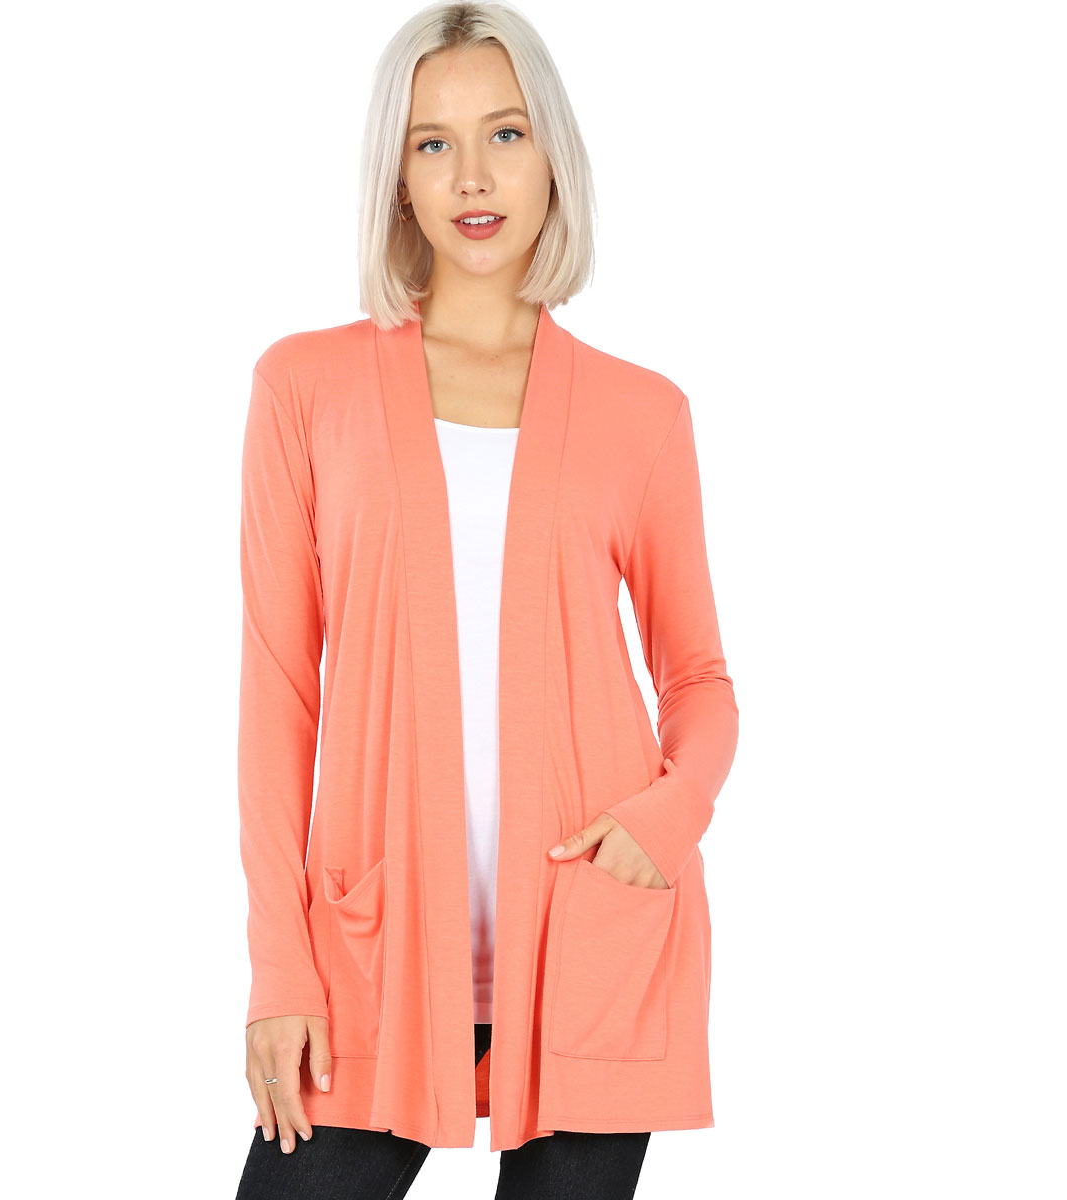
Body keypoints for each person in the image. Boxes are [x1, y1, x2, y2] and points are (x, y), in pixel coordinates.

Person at [234, 3, 739, 1197]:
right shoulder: (304, 387)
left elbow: (698, 681)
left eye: (506, 133)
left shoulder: (641, 413)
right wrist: (278, 967)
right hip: (366, 954)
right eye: (433, 142)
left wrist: (666, 822)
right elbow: (277, 693)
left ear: (553, 153)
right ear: (396, 175)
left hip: (592, 942)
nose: (473, 175)